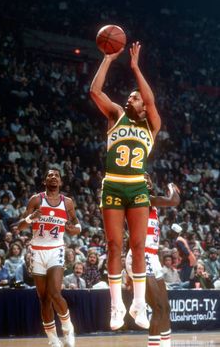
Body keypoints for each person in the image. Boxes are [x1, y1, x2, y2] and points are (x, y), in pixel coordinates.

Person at [90, 42, 161, 330]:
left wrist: (134, 67)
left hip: (137, 186)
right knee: (114, 245)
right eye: (131, 96)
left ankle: (138, 304)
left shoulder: (151, 125)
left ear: (143, 106)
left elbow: (151, 100)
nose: (130, 98)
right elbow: (95, 91)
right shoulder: (116, 114)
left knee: (139, 246)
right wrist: (108, 59)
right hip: (114, 185)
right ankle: (117, 305)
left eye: (135, 97)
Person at [18, 168, 81, 347]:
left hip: (56, 250)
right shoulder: (36, 200)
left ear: (60, 182)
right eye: (50, 175)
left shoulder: (67, 202)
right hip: (37, 251)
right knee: (44, 299)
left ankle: (68, 328)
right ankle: (53, 339)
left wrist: (75, 229)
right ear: (45, 181)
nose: (53, 177)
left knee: (54, 293)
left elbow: (76, 224)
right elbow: (20, 227)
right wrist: (31, 218)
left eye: (57, 176)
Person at [126, 181, 180, 347]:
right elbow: (173, 201)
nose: (148, 180)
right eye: (143, 177)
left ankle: (166, 344)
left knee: (165, 307)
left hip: (152, 257)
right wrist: (171, 186)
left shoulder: (152, 206)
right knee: (157, 307)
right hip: (141, 256)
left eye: (149, 178)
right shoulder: (141, 199)